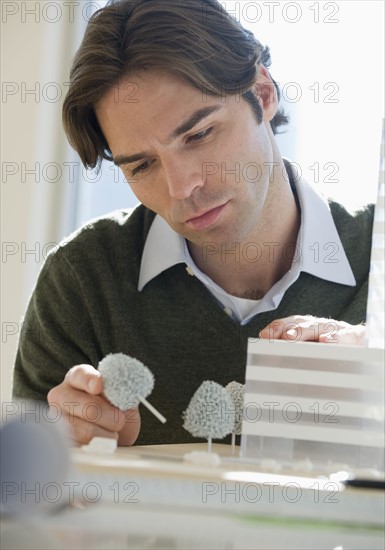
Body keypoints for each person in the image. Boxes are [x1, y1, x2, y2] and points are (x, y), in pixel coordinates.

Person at [13, 0, 373, 446]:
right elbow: (26, 506)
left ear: (262, 94)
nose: (182, 187)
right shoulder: (83, 280)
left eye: (199, 135)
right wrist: (83, 458)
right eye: (142, 165)